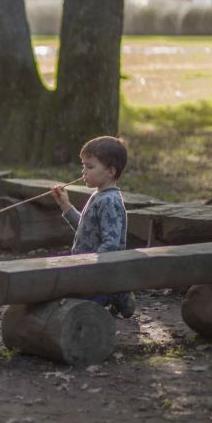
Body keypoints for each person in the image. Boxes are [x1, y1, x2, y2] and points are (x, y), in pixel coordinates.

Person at [50, 136, 136, 318]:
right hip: (87, 269)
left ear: (111, 171)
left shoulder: (110, 201)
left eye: (90, 167)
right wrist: (65, 205)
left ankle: (119, 294)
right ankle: (113, 294)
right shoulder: (99, 196)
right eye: (83, 166)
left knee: (79, 309)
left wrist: (91, 267)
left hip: (100, 273)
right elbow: (86, 229)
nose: (83, 172)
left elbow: (111, 244)